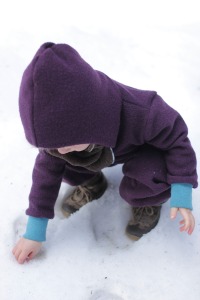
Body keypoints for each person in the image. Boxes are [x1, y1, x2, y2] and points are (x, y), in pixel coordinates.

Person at [12, 42, 198, 264]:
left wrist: (182, 188)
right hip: (100, 150)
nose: (60, 150)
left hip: (142, 150)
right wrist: (34, 231)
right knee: (60, 164)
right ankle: (93, 184)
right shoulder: (60, 144)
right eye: (52, 145)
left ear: (90, 122)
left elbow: (176, 138)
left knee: (150, 171)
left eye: (67, 143)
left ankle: (147, 201)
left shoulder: (142, 112)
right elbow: (45, 177)